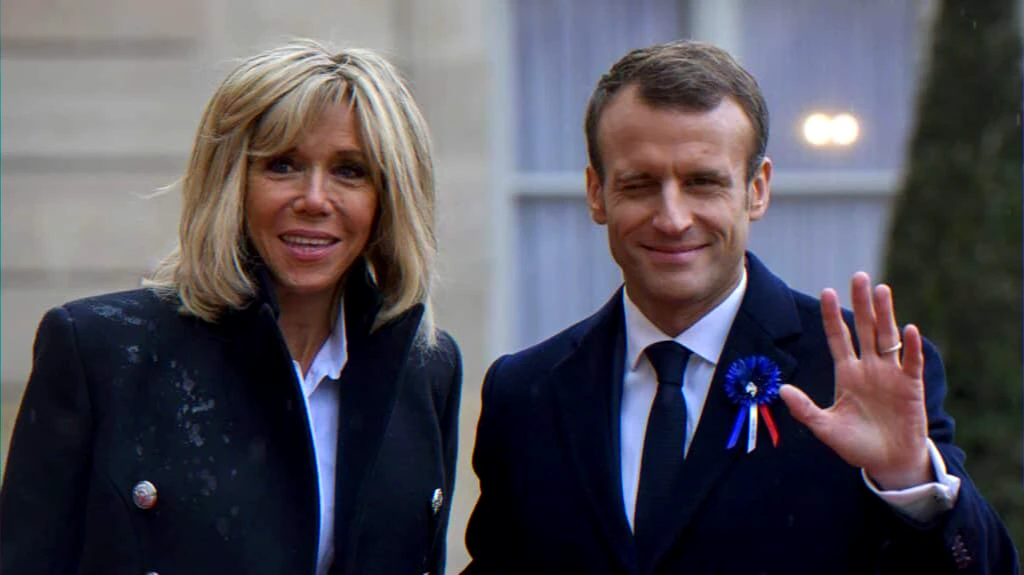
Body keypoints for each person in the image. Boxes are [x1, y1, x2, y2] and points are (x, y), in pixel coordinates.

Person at [463, 40, 1016, 574]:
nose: (672, 218)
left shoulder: (854, 377)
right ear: (596, 193)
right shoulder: (525, 393)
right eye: (640, 185)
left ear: (757, 190)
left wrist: (910, 481)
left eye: (703, 183)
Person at [0, 40, 462, 575]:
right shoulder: (98, 350)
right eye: (283, 165)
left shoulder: (427, 369)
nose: (314, 199)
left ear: (390, 197)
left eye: (350, 171)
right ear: (230, 183)